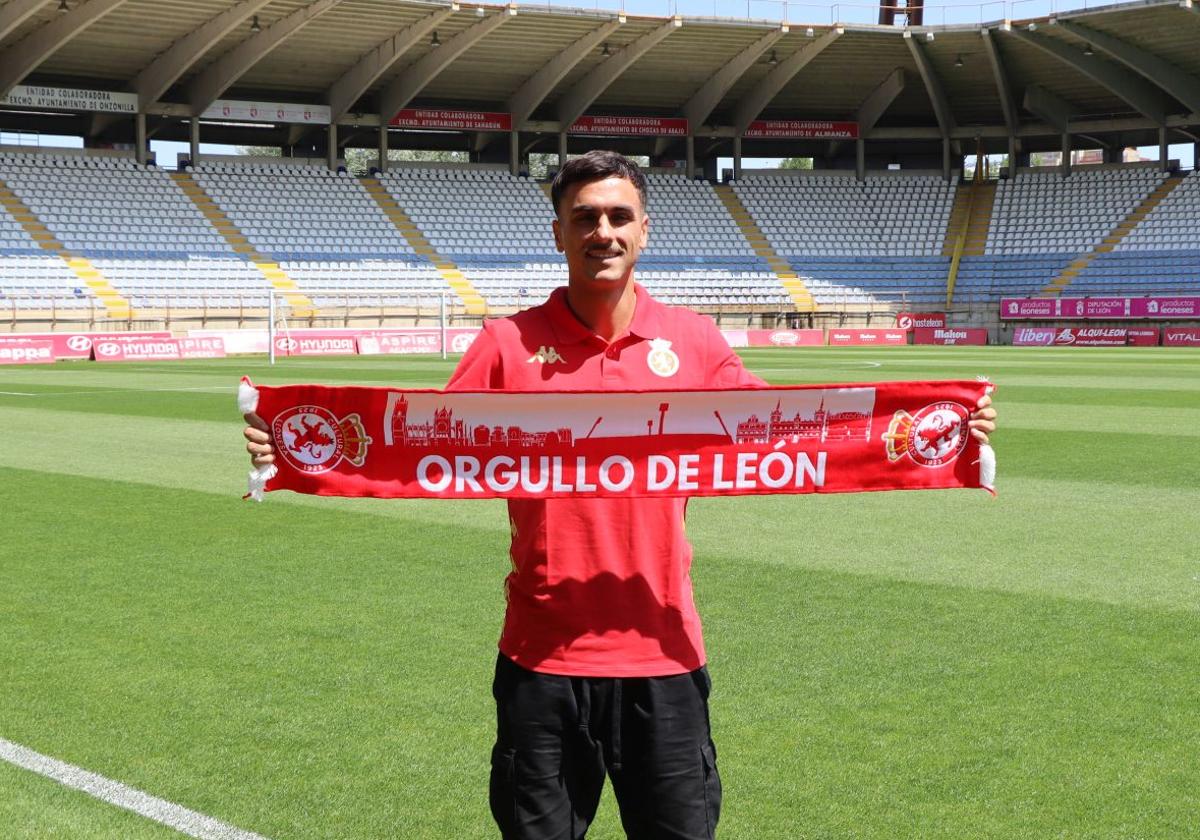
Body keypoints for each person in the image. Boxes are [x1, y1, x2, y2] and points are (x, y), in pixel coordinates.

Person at [244, 150, 997, 839]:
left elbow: (792, 435)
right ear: (559, 232)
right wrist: (288, 444)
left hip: (664, 657)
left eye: (617, 216)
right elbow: (422, 445)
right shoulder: (507, 344)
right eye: (584, 218)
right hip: (542, 662)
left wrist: (943, 427)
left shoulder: (695, 341)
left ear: (644, 230)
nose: (602, 231)